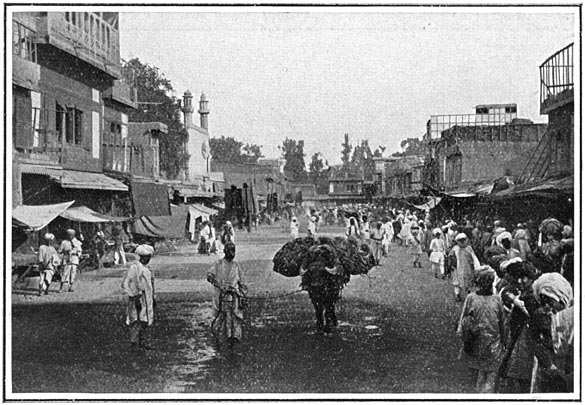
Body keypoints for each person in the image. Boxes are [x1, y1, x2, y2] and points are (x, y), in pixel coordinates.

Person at [456, 266, 506, 393]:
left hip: (475, 344)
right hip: (493, 346)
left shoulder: (471, 298)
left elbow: (463, 320)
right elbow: (502, 324)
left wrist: (464, 336)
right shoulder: (497, 299)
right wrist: (504, 342)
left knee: (475, 377)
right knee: (490, 378)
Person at [300, 244, 348, 334]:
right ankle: (320, 321)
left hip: (327, 285)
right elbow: (302, 271)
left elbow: (334, 271)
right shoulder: (310, 260)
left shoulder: (331, 260)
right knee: (318, 306)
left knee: (329, 303)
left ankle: (328, 321)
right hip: (314, 285)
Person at [207, 242, 247, 349]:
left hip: (235, 299)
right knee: (221, 321)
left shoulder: (236, 266)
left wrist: (243, 295)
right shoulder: (218, 264)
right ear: (225, 251)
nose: (232, 253)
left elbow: (242, 283)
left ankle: (235, 343)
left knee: (236, 321)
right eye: (230, 251)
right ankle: (220, 344)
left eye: (233, 251)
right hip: (221, 299)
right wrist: (220, 285)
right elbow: (209, 276)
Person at [121, 244, 155, 350]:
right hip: (138, 297)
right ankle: (133, 342)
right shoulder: (135, 268)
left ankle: (142, 340)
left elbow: (151, 284)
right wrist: (136, 296)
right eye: (146, 257)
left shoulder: (147, 268)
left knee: (144, 320)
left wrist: (153, 298)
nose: (148, 259)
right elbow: (131, 283)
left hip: (146, 298)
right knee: (135, 319)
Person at [449, 233, 480, 302]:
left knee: (468, 282)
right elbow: (451, 258)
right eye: (460, 240)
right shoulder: (455, 249)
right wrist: (451, 266)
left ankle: (469, 295)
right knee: (457, 282)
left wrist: (476, 267)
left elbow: (474, 258)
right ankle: (457, 294)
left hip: (468, 268)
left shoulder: (469, 248)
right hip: (457, 268)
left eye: (463, 240)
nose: (462, 242)